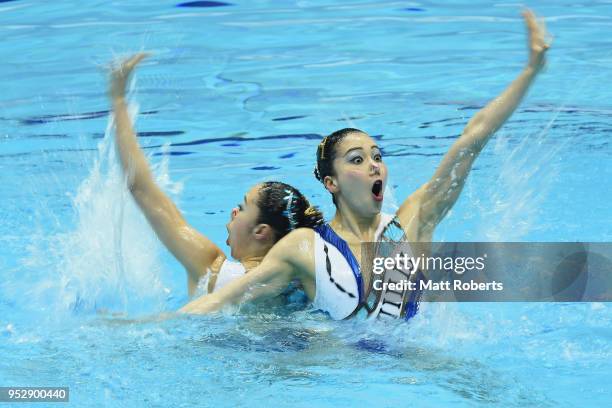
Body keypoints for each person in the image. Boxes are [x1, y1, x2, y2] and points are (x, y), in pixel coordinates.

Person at [180, 9, 551, 319]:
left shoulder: (411, 224)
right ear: (332, 182)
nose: (375, 166)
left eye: (377, 156)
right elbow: (220, 302)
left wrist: (531, 71)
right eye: (357, 160)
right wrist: (146, 329)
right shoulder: (304, 248)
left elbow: (472, 139)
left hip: (411, 371)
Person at [109, 55, 323, 297]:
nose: (233, 211)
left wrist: (117, 99)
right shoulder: (308, 284)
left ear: (261, 232)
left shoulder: (212, 271)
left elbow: (141, 188)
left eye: (242, 208)